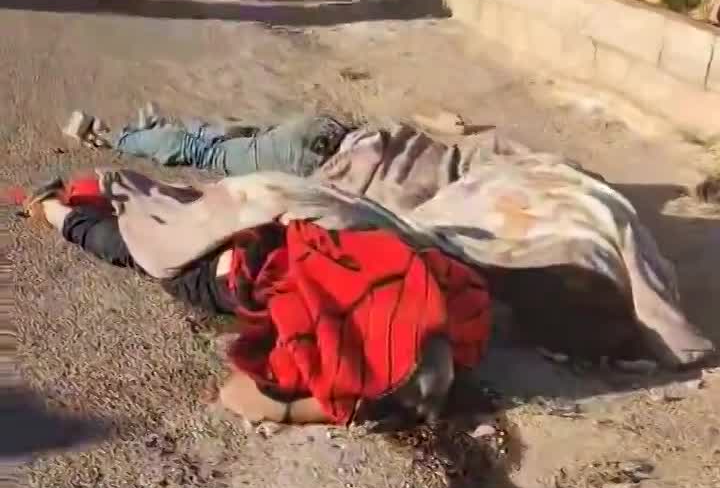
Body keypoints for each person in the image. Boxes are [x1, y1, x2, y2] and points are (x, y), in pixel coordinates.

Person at [25, 175, 492, 428]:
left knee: (174, 210)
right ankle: (55, 210)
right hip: (239, 261)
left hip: (284, 215)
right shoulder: (364, 358)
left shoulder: (447, 287)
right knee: (141, 249)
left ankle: (81, 199)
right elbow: (243, 395)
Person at [63, 106, 351, 179]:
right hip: (267, 148)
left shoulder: (305, 148)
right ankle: (124, 134)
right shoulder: (310, 163)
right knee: (202, 142)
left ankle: (118, 136)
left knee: (197, 144)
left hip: (230, 150)